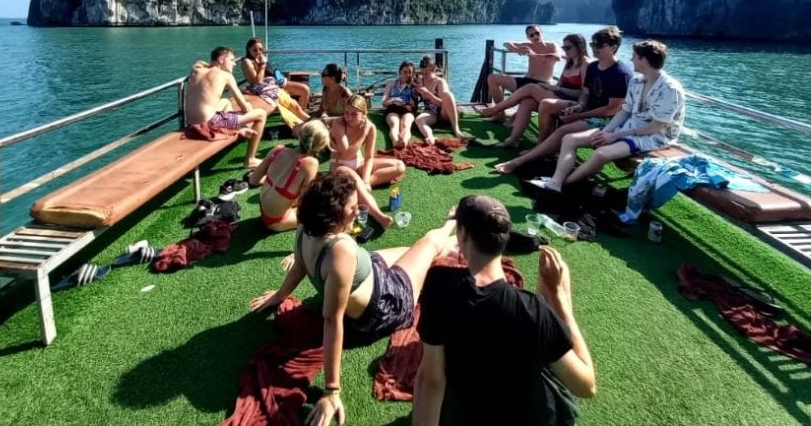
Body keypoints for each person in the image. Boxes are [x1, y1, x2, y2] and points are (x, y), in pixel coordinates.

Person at [251, 172, 458, 426]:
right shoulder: (341, 249)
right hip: (388, 303)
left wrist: (280, 294)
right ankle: (454, 225)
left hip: (370, 271)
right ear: (335, 215)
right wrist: (331, 390)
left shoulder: (305, 226)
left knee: (413, 252)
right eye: (352, 207)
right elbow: (331, 320)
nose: (358, 209)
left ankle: (449, 243)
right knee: (427, 243)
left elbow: (301, 265)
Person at [413, 195, 596, 425]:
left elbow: (432, 379)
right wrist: (561, 301)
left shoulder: (439, 285)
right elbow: (586, 386)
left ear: (462, 235)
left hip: (467, 410)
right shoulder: (533, 309)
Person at [533, 39, 686, 193]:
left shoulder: (670, 89)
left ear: (643, 60)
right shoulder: (637, 81)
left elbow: (656, 127)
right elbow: (625, 111)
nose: (631, 59)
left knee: (601, 153)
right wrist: (607, 131)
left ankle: (563, 185)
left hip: (654, 136)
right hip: (629, 127)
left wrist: (616, 135)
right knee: (569, 139)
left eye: (634, 56)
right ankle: (556, 182)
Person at [494, 26, 631, 175]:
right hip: (586, 110)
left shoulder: (620, 74)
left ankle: (519, 161)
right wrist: (579, 106)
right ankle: (530, 144)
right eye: (593, 44)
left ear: (613, 47)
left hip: (607, 120)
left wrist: (578, 115)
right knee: (537, 102)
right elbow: (585, 93)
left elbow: (611, 110)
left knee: (563, 131)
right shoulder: (593, 67)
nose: (594, 48)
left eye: (599, 45)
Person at [479, 34, 589, 148]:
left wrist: (557, 88)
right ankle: (513, 140)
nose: (565, 51)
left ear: (579, 47)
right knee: (527, 101)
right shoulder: (569, 63)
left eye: (568, 48)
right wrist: (554, 88)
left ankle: (496, 109)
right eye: (564, 48)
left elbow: (584, 93)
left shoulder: (586, 64)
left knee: (531, 87)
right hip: (559, 95)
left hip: (572, 101)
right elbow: (560, 84)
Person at [186, 46, 267, 168]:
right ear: (222, 59)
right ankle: (250, 159)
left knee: (225, 102)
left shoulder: (197, 70)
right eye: (232, 60)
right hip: (208, 123)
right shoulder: (226, 76)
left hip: (191, 122)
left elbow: (199, 63)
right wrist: (249, 106)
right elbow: (245, 108)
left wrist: (211, 63)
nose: (234, 64)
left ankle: (236, 129)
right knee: (261, 113)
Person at [249, 120, 330, 231]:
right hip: (276, 222)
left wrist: (275, 182)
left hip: (264, 211)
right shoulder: (310, 163)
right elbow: (305, 203)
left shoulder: (277, 150)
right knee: (326, 211)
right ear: (321, 145)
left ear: (300, 135)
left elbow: (253, 180)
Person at [329, 94, 406, 188]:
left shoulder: (370, 127)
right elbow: (346, 154)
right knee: (342, 176)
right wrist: (363, 134)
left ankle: (364, 185)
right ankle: (358, 187)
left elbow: (369, 157)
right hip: (339, 166)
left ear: (363, 113)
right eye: (346, 112)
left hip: (359, 164)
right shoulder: (338, 123)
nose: (349, 117)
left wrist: (366, 181)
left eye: (354, 114)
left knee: (400, 166)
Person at [241, 37, 312, 125]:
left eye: (260, 49)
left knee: (305, 89)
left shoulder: (261, 57)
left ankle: (298, 117)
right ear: (249, 50)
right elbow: (257, 81)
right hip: (265, 88)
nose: (258, 52)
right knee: (293, 104)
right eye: (255, 50)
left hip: (276, 83)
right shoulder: (247, 61)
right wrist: (262, 64)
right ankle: (300, 119)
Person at [485, 25, 560, 107]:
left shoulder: (551, 45)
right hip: (525, 81)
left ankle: (497, 110)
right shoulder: (529, 46)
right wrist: (517, 50)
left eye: (537, 33)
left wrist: (534, 54)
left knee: (523, 102)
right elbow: (506, 43)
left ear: (542, 33)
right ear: (528, 37)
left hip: (541, 84)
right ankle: (500, 114)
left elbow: (557, 57)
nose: (535, 36)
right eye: (531, 35)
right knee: (492, 78)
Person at [413, 55, 468, 143]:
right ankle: (430, 137)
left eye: (426, 73)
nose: (424, 76)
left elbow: (443, 103)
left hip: (444, 112)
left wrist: (428, 94)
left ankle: (456, 129)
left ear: (433, 69)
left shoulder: (440, 82)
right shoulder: (420, 81)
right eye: (422, 73)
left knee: (448, 94)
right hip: (431, 111)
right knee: (419, 120)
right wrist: (416, 92)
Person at [382, 61, 419, 149]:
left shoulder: (414, 86)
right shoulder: (391, 83)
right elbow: (384, 102)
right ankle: (395, 142)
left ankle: (404, 142)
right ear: (400, 72)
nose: (407, 74)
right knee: (395, 124)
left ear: (413, 74)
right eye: (405, 72)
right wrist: (393, 101)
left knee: (406, 125)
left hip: (408, 108)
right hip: (393, 107)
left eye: (410, 72)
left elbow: (415, 103)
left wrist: (415, 89)